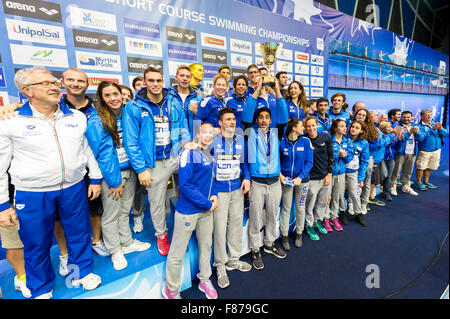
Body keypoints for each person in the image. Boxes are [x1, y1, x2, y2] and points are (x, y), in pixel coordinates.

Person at [0, 67, 102, 298]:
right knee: (36, 243)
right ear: (26, 91)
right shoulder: (10, 120)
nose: (54, 86)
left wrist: (94, 178)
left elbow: (85, 150)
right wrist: (3, 205)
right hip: (32, 193)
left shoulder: (74, 117)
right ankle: (41, 286)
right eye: (45, 83)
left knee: (79, 234)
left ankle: (80, 273)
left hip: (74, 188)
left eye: (54, 82)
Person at [123, 66, 189, 256]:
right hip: (153, 163)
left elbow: (183, 126)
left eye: (158, 81)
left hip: (174, 156)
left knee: (186, 189)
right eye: (151, 81)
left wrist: (185, 148)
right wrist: (141, 169)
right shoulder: (134, 107)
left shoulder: (173, 102)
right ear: (144, 83)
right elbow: (131, 141)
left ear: (163, 82)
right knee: (157, 201)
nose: (155, 84)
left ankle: (188, 224)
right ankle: (162, 234)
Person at [86, 82, 150, 271]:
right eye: (108, 95)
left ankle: (127, 242)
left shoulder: (126, 114)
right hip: (113, 176)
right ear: (101, 98)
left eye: (116, 94)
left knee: (125, 210)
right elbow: (103, 154)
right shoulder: (97, 120)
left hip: (129, 169)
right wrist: (114, 181)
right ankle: (115, 250)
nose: (113, 98)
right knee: (111, 214)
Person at [162, 122, 219, 299]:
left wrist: (214, 195)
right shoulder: (189, 153)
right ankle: (171, 290)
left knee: (206, 247)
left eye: (210, 133)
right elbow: (185, 185)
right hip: (189, 211)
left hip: (206, 211)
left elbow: (211, 180)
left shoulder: (208, 154)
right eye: (204, 132)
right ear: (197, 134)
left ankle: (204, 280)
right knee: (177, 252)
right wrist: (207, 204)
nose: (208, 136)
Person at [209, 108, 251, 289]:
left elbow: (245, 163)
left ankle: (233, 260)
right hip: (219, 192)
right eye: (228, 119)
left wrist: (247, 178)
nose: (232, 122)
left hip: (236, 189)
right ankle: (220, 265)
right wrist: (211, 192)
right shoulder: (212, 141)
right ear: (220, 123)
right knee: (219, 229)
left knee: (235, 225)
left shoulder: (241, 139)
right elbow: (206, 169)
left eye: (234, 119)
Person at [247, 107, 287, 270]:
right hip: (257, 182)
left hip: (275, 182)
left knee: (272, 214)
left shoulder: (277, 134)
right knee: (255, 217)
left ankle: (269, 243)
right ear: (257, 120)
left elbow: (283, 114)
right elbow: (247, 160)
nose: (264, 120)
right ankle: (255, 248)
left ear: (271, 120)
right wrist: (248, 178)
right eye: (261, 117)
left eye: (267, 117)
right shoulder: (250, 135)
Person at [279, 118, 313, 250]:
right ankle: (284, 235)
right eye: (301, 126)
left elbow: (309, 162)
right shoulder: (282, 142)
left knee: (300, 207)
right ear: (293, 128)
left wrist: (300, 177)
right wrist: (281, 176)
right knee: (286, 208)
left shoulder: (305, 141)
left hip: (302, 181)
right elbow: (278, 162)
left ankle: (299, 233)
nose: (303, 129)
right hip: (286, 181)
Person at [304, 116, 334, 240]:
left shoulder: (325, 137)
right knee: (309, 204)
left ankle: (318, 221)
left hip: (325, 176)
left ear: (317, 125)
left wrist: (329, 174)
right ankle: (309, 225)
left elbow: (331, 156)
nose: (311, 128)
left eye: (313, 125)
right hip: (311, 178)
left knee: (322, 202)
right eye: (308, 126)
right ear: (305, 128)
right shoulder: (304, 139)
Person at [0, 178, 30, 297]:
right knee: (14, 243)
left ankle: (23, 277)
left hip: (12, 194)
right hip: (5, 201)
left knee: (16, 242)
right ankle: (23, 278)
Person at [325, 119, 353, 232]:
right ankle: (325, 218)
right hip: (329, 173)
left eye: (345, 126)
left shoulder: (347, 141)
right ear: (335, 128)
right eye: (342, 126)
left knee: (336, 197)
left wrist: (345, 155)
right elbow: (324, 157)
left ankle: (334, 217)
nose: (345, 128)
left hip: (341, 173)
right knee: (327, 197)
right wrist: (336, 155)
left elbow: (350, 158)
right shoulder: (329, 140)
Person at [342, 120, 370, 226]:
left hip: (353, 172)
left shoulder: (364, 143)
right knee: (340, 193)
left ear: (361, 130)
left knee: (355, 193)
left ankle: (358, 214)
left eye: (357, 127)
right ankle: (342, 212)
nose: (353, 129)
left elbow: (364, 161)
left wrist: (361, 178)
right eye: (352, 126)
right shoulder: (344, 138)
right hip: (341, 171)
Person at [368, 121, 402, 206]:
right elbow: (379, 144)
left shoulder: (385, 135)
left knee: (375, 179)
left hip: (381, 159)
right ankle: (367, 199)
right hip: (374, 159)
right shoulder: (378, 134)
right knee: (370, 180)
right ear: (383, 128)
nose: (391, 129)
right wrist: (392, 135)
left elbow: (394, 146)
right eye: (389, 127)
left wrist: (396, 138)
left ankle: (372, 196)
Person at [414, 109, 448, 191]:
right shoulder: (419, 126)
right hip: (425, 150)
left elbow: (446, 134)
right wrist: (432, 130)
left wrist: (440, 129)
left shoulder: (434, 123)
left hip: (436, 150)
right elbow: (420, 138)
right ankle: (419, 183)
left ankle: (426, 181)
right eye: (427, 115)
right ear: (421, 116)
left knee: (429, 166)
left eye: (430, 114)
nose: (429, 116)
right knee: (421, 167)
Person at [353, 108, 378, 214]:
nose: (361, 116)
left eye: (363, 115)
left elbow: (375, 145)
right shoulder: (352, 126)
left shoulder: (371, 128)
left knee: (366, 182)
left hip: (367, 158)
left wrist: (363, 144)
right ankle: (353, 204)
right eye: (359, 114)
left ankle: (364, 203)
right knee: (353, 182)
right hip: (353, 159)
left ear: (367, 117)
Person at [391, 111, 419, 196]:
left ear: (411, 117)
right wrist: (409, 133)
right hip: (400, 152)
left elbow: (421, 138)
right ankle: (393, 186)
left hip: (412, 151)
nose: (406, 119)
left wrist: (417, 133)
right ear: (401, 117)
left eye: (408, 117)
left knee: (408, 171)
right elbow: (399, 140)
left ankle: (405, 186)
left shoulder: (415, 126)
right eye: (404, 117)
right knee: (396, 171)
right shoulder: (397, 126)